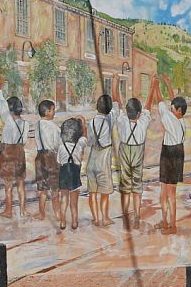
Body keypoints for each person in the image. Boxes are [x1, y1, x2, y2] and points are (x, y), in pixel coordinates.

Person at [157, 96, 188, 235]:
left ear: (178, 111)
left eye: (172, 109)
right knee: (164, 191)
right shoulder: (180, 119)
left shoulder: (172, 120)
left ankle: (173, 225)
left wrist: (156, 88)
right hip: (172, 151)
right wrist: (168, 85)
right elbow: (170, 103)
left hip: (172, 154)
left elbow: (162, 108)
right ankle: (164, 221)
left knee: (170, 193)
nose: (170, 110)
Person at [116, 97, 149, 230]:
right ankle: (136, 217)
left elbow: (118, 103)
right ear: (139, 114)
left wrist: (115, 83)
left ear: (127, 111)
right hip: (138, 151)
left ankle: (125, 217)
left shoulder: (122, 120)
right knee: (137, 186)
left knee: (125, 187)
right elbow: (147, 108)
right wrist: (152, 87)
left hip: (125, 150)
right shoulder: (143, 122)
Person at [0, 88, 28, 218]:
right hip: (20, 153)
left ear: (9, 109)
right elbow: (24, 141)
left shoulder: (8, 121)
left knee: (8, 186)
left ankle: (8, 211)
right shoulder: (25, 124)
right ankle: (23, 211)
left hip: (8, 153)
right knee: (21, 184)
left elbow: (1, 105)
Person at [87, 95, 116, 228]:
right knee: (104, 193)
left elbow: (90, 141)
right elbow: (117, 106)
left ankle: (96, 218)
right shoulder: (110, 119)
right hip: (103, 161)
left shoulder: (91, 122)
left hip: (92, 160)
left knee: (92, 192)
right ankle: (105, 218)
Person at [33, 100, 62, 224]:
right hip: (51, 157)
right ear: (47, 112)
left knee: (43, 188)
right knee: (55, 188)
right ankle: (58, 215)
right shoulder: (54, 127)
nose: (54, 112)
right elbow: (57, 144)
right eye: (53, 110)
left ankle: (41, 213)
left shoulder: (38, 125)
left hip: (40, 157)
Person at [57, 117, 88, 230]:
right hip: (75, 175)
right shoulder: (79, 144)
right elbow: (85, 136)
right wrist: (83, 124)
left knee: (63, 199)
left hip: (63, 175)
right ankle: (74, 222)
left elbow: (59, 162)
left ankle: (62, 221)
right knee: (74, 201)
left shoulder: (61, 145)